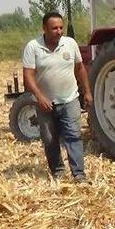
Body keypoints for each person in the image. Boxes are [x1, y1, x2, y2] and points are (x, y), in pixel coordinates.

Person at [22, 11, 93, 183]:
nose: (59, 31)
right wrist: (40, 97)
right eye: (54, 28)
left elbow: (80, 69)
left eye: (61, 27)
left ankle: (79, 174)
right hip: (45, 104)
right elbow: (28, 77)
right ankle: (58, 170)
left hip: (69, 100)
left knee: (74, 136)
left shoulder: (70, 44)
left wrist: (88, 92)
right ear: (44, 28)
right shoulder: (33, 47)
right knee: (50, 139)